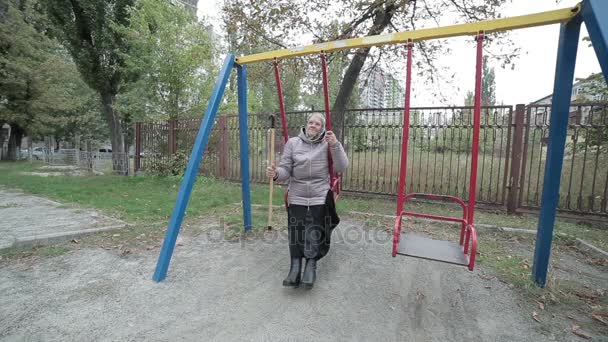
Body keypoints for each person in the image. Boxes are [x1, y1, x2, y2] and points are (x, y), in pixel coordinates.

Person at [266, 113, 348, 289]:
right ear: (306, 125)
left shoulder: (328, 143)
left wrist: (335, 145)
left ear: (322, 127)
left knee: (314, 231)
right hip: (298, 194)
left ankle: (311, 265)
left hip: (319, 194)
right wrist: (277, 174)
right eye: (311, 122)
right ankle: (295, 266)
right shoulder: (293, 143)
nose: (313, 125)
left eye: (318, 124)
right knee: (296, 231)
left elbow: (341, 167)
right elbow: (286, 169)